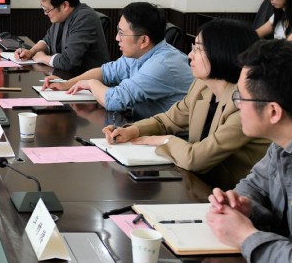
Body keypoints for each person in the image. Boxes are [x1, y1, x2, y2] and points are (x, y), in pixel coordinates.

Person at [102, 19, 268, 190]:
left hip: (236, 195)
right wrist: (132, 131)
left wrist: (164, 140)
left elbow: (195, 159)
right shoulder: (202, 86)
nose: (190, 55)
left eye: (198, 49)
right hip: (202, 186)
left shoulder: (245, 104)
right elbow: (167, 121)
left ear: (222, 52)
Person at [207, 40, 292, 263]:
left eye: (242, 98)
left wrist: (245, 236)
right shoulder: (280, 145)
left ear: (273, 112)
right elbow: (253, 185)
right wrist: (244, 206)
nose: (237, 106)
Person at [44, 2, 193, 119]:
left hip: (169, 137)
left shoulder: (161, 65)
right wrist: (67, 84)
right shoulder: (141, 53)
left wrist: (91, 83)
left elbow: (114, 100)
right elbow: (105, 72)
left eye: (121, 33)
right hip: (142, 124)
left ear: (143, 40)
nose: (116, 38)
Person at [14, 0, 109, 75]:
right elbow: (48, 41)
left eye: (47, 10)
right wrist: (31, 52)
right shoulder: (62, 16)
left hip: (88, 81)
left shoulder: (84, 18)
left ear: (64, 5)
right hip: (67, 77)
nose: (45, 13)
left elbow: (68, 61)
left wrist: (42, 58)